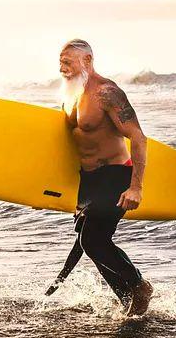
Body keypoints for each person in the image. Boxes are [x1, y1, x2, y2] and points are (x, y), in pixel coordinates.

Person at [45, 38, 154, 316]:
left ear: (88, 61)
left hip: (115, 175)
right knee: (90, 242)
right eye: (60, 63)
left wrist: (136, 187)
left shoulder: (107, 92)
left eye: (67, 62)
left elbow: (138, 138)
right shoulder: (71, 93)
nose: (62, 68)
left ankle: (139, 286)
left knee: (93, 240)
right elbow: (71, 143)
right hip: (89, 181)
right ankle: (129, 302)